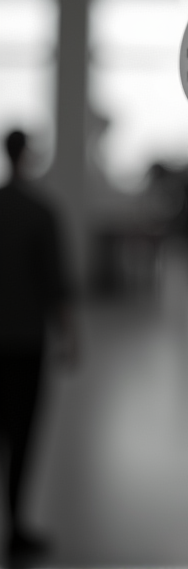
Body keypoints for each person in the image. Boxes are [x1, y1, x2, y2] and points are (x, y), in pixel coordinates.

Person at [0, 130, 75, 562]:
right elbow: (54, 284)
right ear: (27, 155)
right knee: (22, 436)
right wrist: (70, 338)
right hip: (26, 341)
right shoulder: (40, 212)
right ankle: (15, 524)